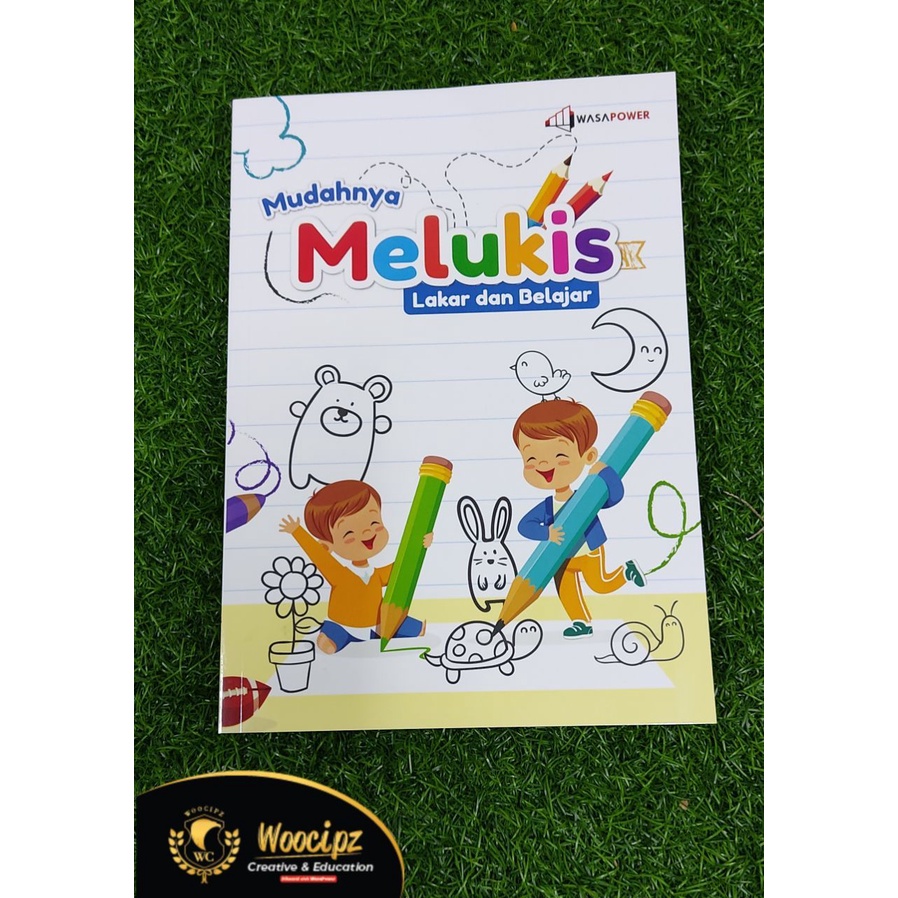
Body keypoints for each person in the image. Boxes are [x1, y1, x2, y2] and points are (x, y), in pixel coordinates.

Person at [513, 398, 645, 639]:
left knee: (600, 584)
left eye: (559, 454)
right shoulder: (547, 506)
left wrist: (605, 473)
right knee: (567, 592)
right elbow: (524, 526)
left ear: (588, 456)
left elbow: (613, 497)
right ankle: (580, 622)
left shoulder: (587, 494)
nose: (543, 464)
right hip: (560, 556)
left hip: (588, 551)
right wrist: (546, 533)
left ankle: (626, 572)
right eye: (530, 459)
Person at [279, 479, 431, 654]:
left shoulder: (376, 574)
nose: (367, 532)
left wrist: (420, 546)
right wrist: (297, 532)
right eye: (349, 532)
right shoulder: (338, 574)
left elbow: (400, 570)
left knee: (414, 628)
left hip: (378, 626)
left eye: (374, 523)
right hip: (344, 626)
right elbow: (319, 557)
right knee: (332, 639)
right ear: (327, 546)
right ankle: (329, 637)